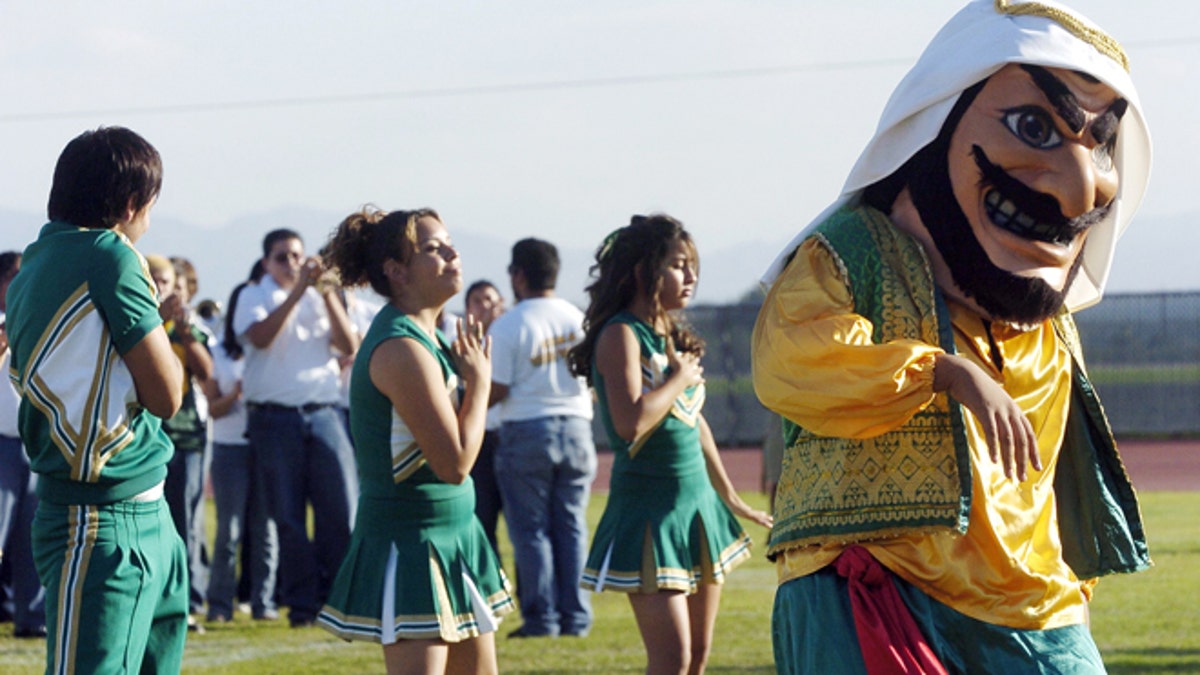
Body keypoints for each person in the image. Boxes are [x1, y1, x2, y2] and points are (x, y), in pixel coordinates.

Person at [751, 2, 1152, 672]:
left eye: (1100, 143)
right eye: (1034, 126)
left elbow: (1049, 478)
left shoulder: (1051, 326)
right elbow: (792, 360)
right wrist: (944, 371)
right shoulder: (851, 253)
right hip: (876, 587)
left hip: (1035, 608)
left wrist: (1076, 593)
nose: (1081, 188)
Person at [6, 126, 189, 672]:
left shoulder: (30, 265)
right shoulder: (111, 254)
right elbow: (167, 395)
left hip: (114, 509)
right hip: (106, 519)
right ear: (131, 203)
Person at [568, 215, 773, 674]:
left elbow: (693, 423)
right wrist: (679, 379)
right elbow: (629, 422)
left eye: (693, 264)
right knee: (672, 658)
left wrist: (730, 496)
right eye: (679, 264)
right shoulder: (620, 334)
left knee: (697, 657)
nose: (691, 276)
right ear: (643, 271)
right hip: (650, 513)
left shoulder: (673, 336)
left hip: (696, 508)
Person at [316, 206, 513, 675]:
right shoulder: (401, 347)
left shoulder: (430, 338)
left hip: (455, 534)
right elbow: (455, 464)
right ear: (396, 271)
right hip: (413, 543)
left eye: (448, 242)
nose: (451, 252)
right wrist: (481, 383)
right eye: (432, 248)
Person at [231, 227, 361, 628]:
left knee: (340, 510)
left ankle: (340, 600)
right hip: (274, 417)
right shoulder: (253, 295)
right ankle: (302, 605)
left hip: (323, 412)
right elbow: (261, 337)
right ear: (267, 262)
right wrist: (296, 292)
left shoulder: (322, 297)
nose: (293, 264)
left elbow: (349, 346)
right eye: (283, 257)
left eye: (297, 256)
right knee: (288, 517)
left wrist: (325, 293)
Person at [488, 238, 596, 639]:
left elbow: (497, 388)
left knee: (531, 531)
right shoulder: (578, 318)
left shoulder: (510, 324)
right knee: (571, 526)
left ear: (518, 275)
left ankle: (542, 617)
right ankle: (576, 617)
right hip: (577, 424)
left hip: (527, 427)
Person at [204, 262, 280, 623]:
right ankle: (220, 604)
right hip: (230, 447)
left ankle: (263, 601)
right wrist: (235, 394)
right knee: (228, 530)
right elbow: (212, 409)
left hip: (264, 442)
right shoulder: (217, 352)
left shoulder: (265, 351)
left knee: (265, 529)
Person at [147, 253, 214, 631]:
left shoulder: (186, 326)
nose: (161, 287)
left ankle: (186, 601)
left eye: (167, 281)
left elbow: (207, 373)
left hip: (186, 435)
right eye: (153, 279)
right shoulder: (140, 321)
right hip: (151, 436)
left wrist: (186, 332)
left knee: (185, 523)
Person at [0, 251, 46, 640]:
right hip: (1, 445)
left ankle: (31, 617)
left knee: (34, 538)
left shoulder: (37, 318)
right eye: (16, 275)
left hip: (35, 444)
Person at [463, 279, 507, 559]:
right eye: (477, 301)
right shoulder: (461, 345)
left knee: (522, 524)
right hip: (479, 439)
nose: (485, 306)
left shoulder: (511, 335)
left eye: (490, 299)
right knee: (483, 518)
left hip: (509, 434)